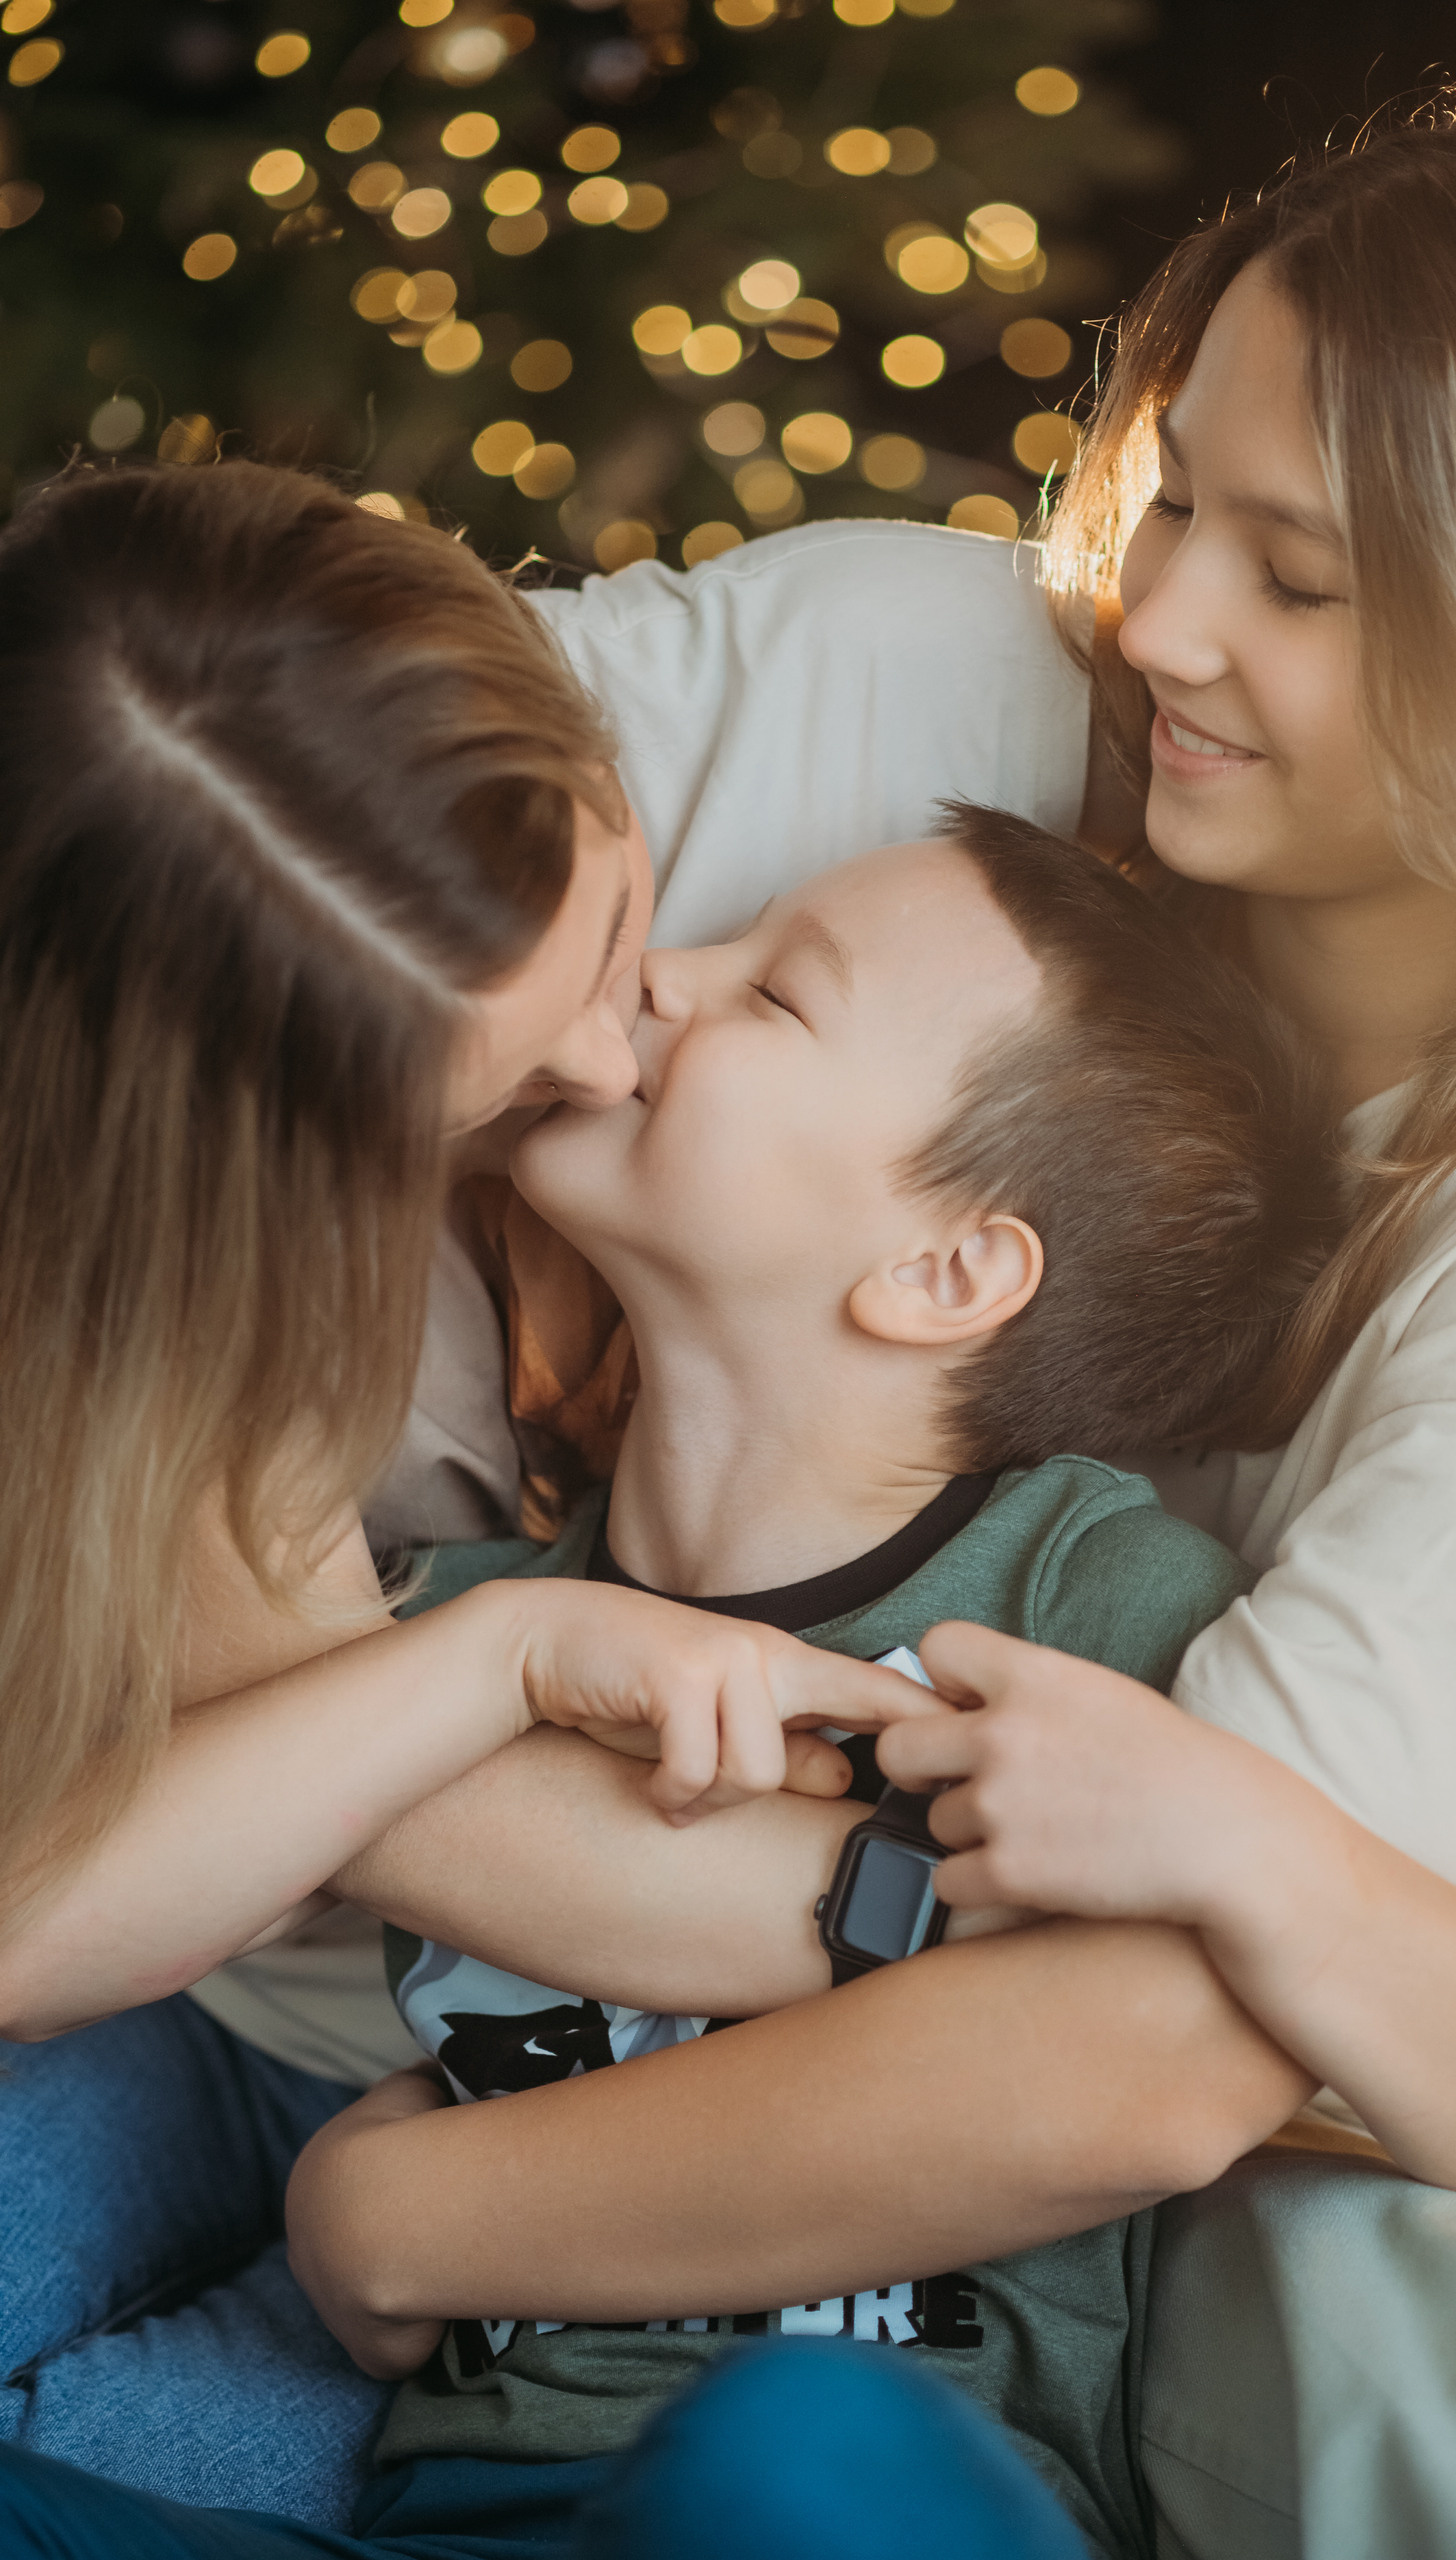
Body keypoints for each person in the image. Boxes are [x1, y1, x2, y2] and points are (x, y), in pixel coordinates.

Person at [301, 90, 1456, 2557]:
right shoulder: (914, 686)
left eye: (1300, 576)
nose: (1151, 622)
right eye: (1175, 501)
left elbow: (1162, 2014)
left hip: (1227, 2266)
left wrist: (409, 2218)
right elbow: (226, 808)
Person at [0, 816, 1456, 2557]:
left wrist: (1256, 1844)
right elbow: (57, 1902)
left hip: (879, 2489)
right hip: (470, 2510)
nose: (659, 977)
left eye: (775, 993)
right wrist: (480, 1678)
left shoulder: (1088, 1606)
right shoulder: (483, 1622)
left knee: (785, 2446)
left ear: (946, 1270)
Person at [0, 459, 922, 2524]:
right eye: (502, 1086)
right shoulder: (135, 1242)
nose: (617, 1053)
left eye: (609, 933)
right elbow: (48, 1903)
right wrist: (510, 1642)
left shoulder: (839, 717)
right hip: (247, 2013)